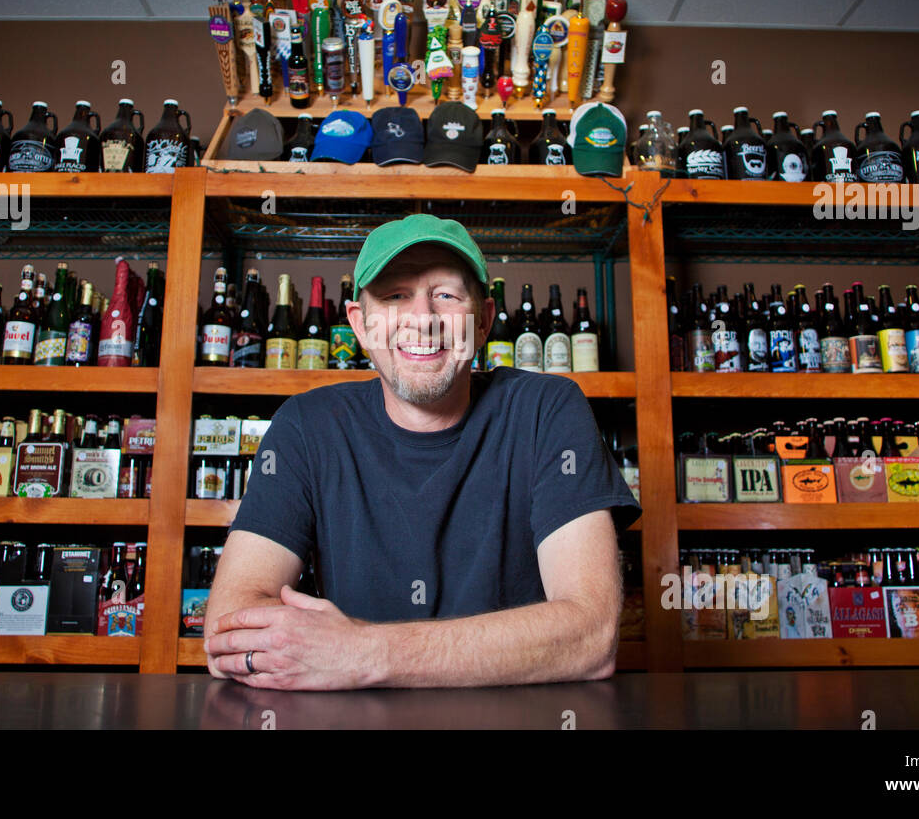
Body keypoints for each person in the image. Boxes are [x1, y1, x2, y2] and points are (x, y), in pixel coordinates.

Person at [204, 214, 641, 689]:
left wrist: (364, 653)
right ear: (361, 325)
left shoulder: (548, 410)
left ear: (485, 320)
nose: (422, 318)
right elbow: (229, 624)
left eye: (447, 295)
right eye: (395, 295)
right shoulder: (306, 426)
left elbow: (591, 637)